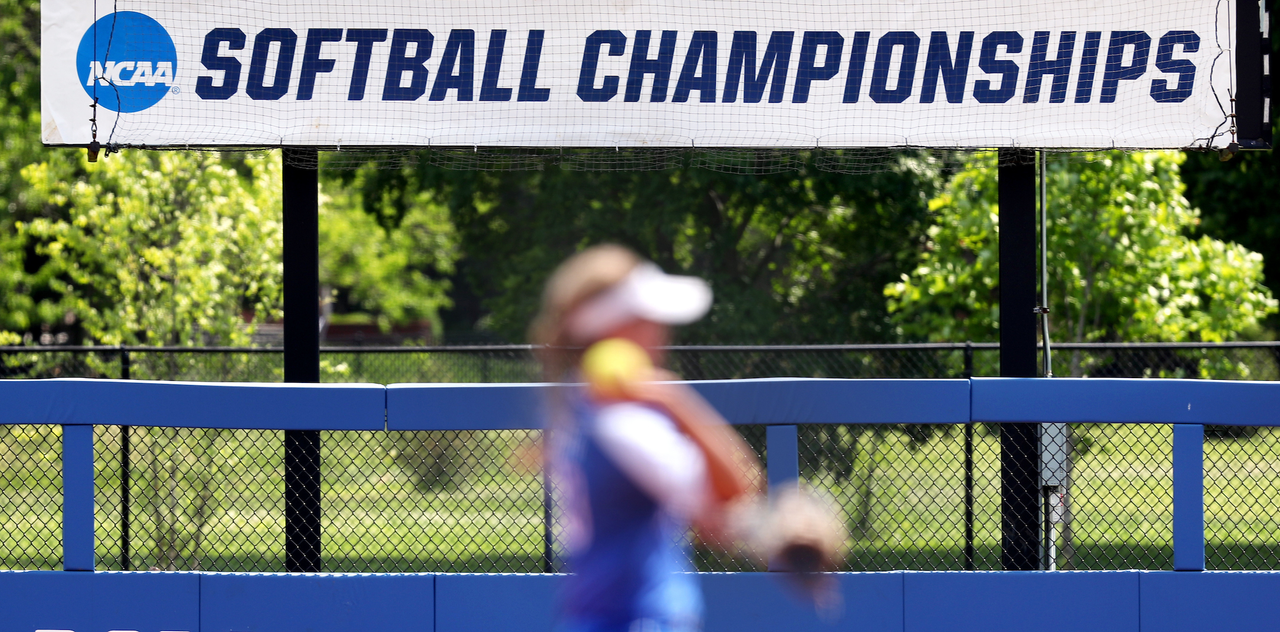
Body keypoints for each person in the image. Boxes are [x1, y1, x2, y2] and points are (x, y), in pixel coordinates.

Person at [531, 244, 763, 632]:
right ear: (615, 329)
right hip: (637, 618)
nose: (662, 331)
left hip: (589, 617)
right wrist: (671, 395)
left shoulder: (576, 405)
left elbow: (707, 520)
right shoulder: (625, 425)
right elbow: (738, 492)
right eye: (647, 319)